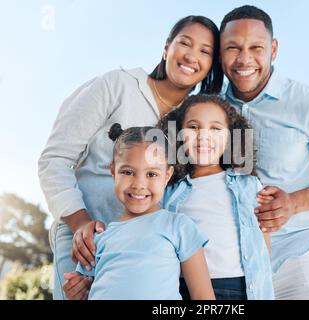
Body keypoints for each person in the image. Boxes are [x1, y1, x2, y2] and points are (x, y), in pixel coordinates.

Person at [38, 15, 223, 300]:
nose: (191, 55)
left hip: (147, 247)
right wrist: (81, 223)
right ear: (166, 48)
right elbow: (54, 159)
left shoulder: (194, 120)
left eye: (205, 51)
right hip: (84, 238)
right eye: (184, 43)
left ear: (212, 64)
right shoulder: (117, 85)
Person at [219, 5, 309, 299]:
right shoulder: (207, 109)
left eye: (256, 47)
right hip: (227, 262)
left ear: (273, 49)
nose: (244, 59)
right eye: (232, 48)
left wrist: (293, 204)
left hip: (298, 254)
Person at [74, 124, 214, 300]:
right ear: (112, 171)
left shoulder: (178, 226)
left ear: (167, 175)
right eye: (127, 172)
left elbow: (204, 298)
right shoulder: (98, 238)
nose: (139, 185)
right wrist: (77, 291)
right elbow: (84, 290)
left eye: (152, 174)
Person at [158, 94, 274, 300]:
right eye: (193, 127)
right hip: (180, 288)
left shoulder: (248, 185)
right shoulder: (167, 190)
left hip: (239, 287)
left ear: (231, 137)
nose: (203, 136)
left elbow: (262, 244)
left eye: (215, 128)